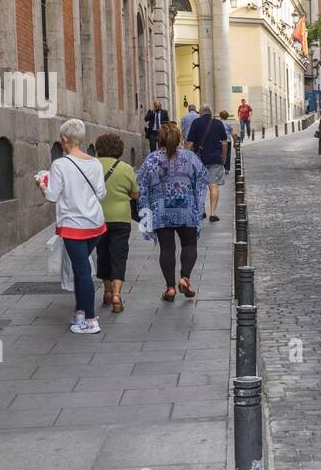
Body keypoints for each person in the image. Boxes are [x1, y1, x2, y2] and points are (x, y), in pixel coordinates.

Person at [40, 119, 107, 335]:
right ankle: (79, 311)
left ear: (65, 140)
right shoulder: (95, 163)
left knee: (83, 271)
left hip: (73, 226)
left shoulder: (60, 165)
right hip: (95, 224)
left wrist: (42, 184)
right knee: (80, 269)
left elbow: (52, 196)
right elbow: (101, 193)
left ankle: (90, 319)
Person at [137, 122, 209, 302]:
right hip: (186, 208)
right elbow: (202, 179)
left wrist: (145, 214)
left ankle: (170, 288)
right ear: (179, 138)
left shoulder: (152, 159)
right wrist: (198, 206)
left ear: (159, 139)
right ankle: (185, 278)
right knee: (189, 245)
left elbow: (142, 186)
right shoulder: (190, 157)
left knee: (167, 248)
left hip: (161, 210)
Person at [94, 133, 140, 314]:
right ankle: (116, 295)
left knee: (102, 254)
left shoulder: (92, 166)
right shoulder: (126, 168)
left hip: (98, 218)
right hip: (121, 218)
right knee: (119, 255)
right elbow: (135, 194)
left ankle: (106, 290)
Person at [186, 105, 230, 222]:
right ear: (211, 113)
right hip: (215, 158)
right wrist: (224, 156)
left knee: (200, 186)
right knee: (213, 185)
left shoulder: (196, 123)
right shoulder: (218, 123)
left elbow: (189, 144)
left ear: (200, 113)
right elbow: (225, 143)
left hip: (199, 160)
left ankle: (201, 212)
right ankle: (213, 213)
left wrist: (186, 157)